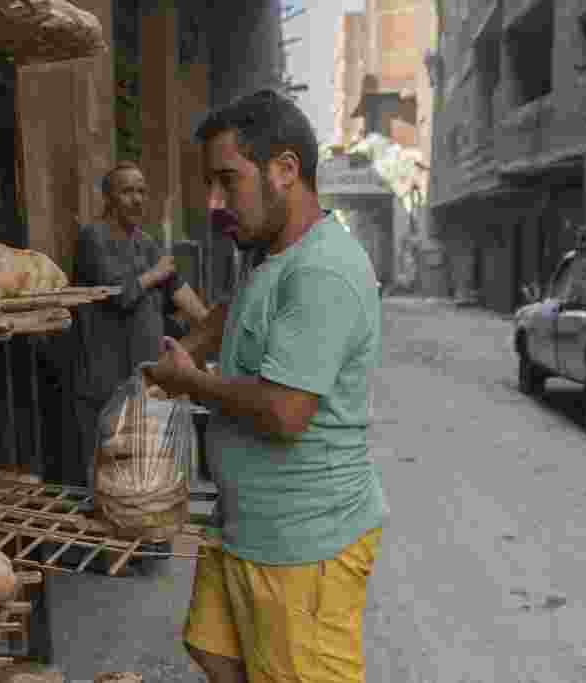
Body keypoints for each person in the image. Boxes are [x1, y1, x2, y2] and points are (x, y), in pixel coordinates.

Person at [145, 90, 386, 683]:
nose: (215, 202)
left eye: (228, 180)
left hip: (301, 545)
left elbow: (284, 412)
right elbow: (237, 307)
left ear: (285, 169)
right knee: (215, 651)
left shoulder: (322, 271)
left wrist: (191, 382)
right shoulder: (268, 255)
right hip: (245, 525)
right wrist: (193, 346)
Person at [70, 160, 210, 488]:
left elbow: (177, 289)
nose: (137, 199)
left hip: (143, 377)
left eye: (142, 191)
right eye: (127, 191)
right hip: (104, 377)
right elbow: (120, 295)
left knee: (142, 471)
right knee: (105, 468)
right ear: (108, 197)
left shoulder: (145, 242)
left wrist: (210, 325)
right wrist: (154, 274)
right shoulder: (94, 237)